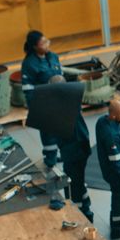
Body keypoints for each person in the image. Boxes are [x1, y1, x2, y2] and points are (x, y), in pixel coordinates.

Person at [20, 31, 63, 167]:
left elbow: (60, 77)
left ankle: (60, 154)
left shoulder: (53, 57)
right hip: (43, 103)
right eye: (43, 43)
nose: (47, 45)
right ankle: (50, 159)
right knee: (48, 133)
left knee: (61, 129)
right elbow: (28, 89)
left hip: (59, 100)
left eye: (47, 41)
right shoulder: (29, 64)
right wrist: (37, 108)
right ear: (34, 46)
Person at [95, 100, 120, 239]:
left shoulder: (102, 121)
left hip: (109, 169)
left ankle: (118, 218)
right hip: (117, 173)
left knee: (118, 196)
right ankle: (118, 228)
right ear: (113, 116)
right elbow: (116, 161)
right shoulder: (112, 136)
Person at [59, 107, 94, 222]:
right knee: (79, 182)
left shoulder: (60, 113)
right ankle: (86, 209)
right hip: (79, 150)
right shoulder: (71, 106)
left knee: (73, 185)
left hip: (74, 153)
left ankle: (79, 215)